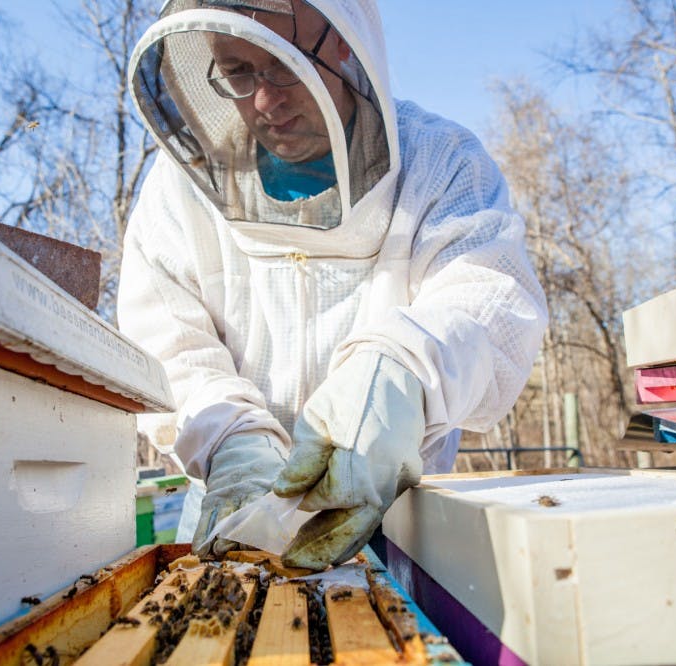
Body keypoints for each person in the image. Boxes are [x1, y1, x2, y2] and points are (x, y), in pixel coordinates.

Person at [118, 0, 548, 570]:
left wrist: (403, 372)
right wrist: (231, 441)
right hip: (236, 516)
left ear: (347, 42)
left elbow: (489, 296)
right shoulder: (179, 190)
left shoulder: (439, 162)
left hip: (399, 522)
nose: (265, 102)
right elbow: (168, 344)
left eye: (285, 64)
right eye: (237, 72)